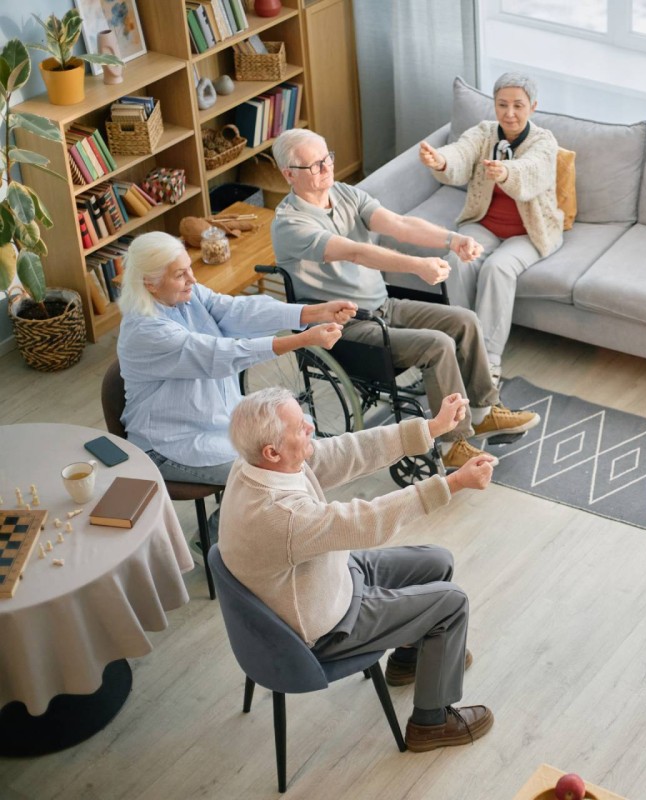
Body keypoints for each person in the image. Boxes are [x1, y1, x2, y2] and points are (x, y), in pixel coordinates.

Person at [220, 387, 496, 751]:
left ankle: (410, 657)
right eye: (299, 427)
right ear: (272, 451)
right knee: (451, 602)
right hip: (324, 624)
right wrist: (454, 483)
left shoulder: (254, 464)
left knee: (437, 560)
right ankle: (432, 723)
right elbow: (366, 521)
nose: (310, 425)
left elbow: (346, 452)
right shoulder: (282, 516)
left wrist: (431, 428)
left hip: (323, 577)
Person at [270, 129, 541, 471]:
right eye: (314, 165)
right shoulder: (290, 225)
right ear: (288, 174)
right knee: (438, 345)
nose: (326, 169)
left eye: (328, 159)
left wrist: (453, 240)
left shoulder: (344, 194)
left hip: (381, 307)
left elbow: (399, 224)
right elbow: (356, 252)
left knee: (464, 320)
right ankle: (451, 444)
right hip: (341, 328)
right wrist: (417, 267)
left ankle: (483, 411)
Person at [117, 230, 353, 487]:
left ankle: (251, 517)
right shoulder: (145, 331)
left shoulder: (187, 295)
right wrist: (303, 340)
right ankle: (231, 524)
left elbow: (238, 311)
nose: (192, 279)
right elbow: (220, 355)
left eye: (189, 268)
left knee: (298, 437)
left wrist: (314, 312)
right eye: (180, 274)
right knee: (276, 466)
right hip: (171, 442)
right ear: (150, 283)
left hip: (218, 419)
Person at [418, 72, 563, 384]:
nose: (509, 113)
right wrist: (440, 161)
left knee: (497, 268)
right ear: (494, 105)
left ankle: (488, 359)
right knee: (457, 258)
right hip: (484, 224)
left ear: (533, 107)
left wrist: (506, 171)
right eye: (502, 105)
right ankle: (461, 342)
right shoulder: (483, 133)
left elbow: (533, 171)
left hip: (529, 232)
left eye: (518, 106)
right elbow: (461, 152)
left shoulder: (544, 141)